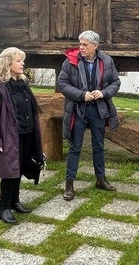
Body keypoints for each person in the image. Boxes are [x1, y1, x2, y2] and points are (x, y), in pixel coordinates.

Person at [0, 47, 44, 224]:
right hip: (8, 136)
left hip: (25, 133)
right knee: (9, 171)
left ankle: (15, 202)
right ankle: (4, 208)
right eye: (18, 60)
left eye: (22, 60)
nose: (22, 63)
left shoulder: (22, 83)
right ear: (8, 63)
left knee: (19, 168)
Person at [57, 30, 121, 201]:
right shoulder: (70, 61)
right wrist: (81, 95)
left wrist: (104, 92)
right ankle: (69, 184)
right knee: (75, 147)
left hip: (98, 110)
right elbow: (62, 83)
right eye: (80, 44)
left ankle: (101, 179)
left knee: (99, 147)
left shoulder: (107, 60)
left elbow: (116, 82)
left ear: (95, 46)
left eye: (85, 45)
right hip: (78, 109)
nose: (81, 47)